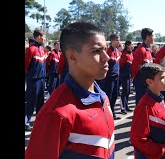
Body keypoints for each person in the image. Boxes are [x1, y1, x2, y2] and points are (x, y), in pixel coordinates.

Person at [25, 22, 115, 159]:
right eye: (96, 51)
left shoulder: (102, 97)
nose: (106, 57)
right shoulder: (57, 113)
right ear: (72, 56)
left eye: (105, 49)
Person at [130, 63, 165, 159]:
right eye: (162, 78)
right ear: (149, 82)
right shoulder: (144, 106)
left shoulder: (159, 98)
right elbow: (137, 139)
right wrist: (164, 149)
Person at [25, 29, 46, 131]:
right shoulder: (31, 49)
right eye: (43, 36)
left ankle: (40, 121)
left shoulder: (42, 49)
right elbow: (25, 66)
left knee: (40, 103)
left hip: (42, 80)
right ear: (38, 37)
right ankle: (26, 121)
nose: (45, 38)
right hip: (33, 81)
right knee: (31, 102)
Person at [99, 34, 122, 119]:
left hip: (116, 76)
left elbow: (118, 64)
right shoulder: (108, 51)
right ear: (112, 41)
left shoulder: (118, 51)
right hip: (109, 77)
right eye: (117, 40)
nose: (118, 42)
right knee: (109, 95)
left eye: (119, 40)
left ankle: (112, 111)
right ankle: (105, 112)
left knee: (115, 95)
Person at [131, 28, 154, 105]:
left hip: (148, 82)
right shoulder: (141, 50)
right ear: (148, 38)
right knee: (141, 103)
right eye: (152, 36)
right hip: (141, 82)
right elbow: (135, 67)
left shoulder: (148, 50)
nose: (154, 38)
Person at [119, 40, 134, 113]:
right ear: (128, 46)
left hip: (129, 75)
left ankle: (126, 106)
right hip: (124, 76)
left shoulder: (131, 54)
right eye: (131, 44)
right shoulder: (125, 54)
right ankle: (122, 107)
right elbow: (121, 65)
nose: (133, 46)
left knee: (128, 91)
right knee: (124, 91)